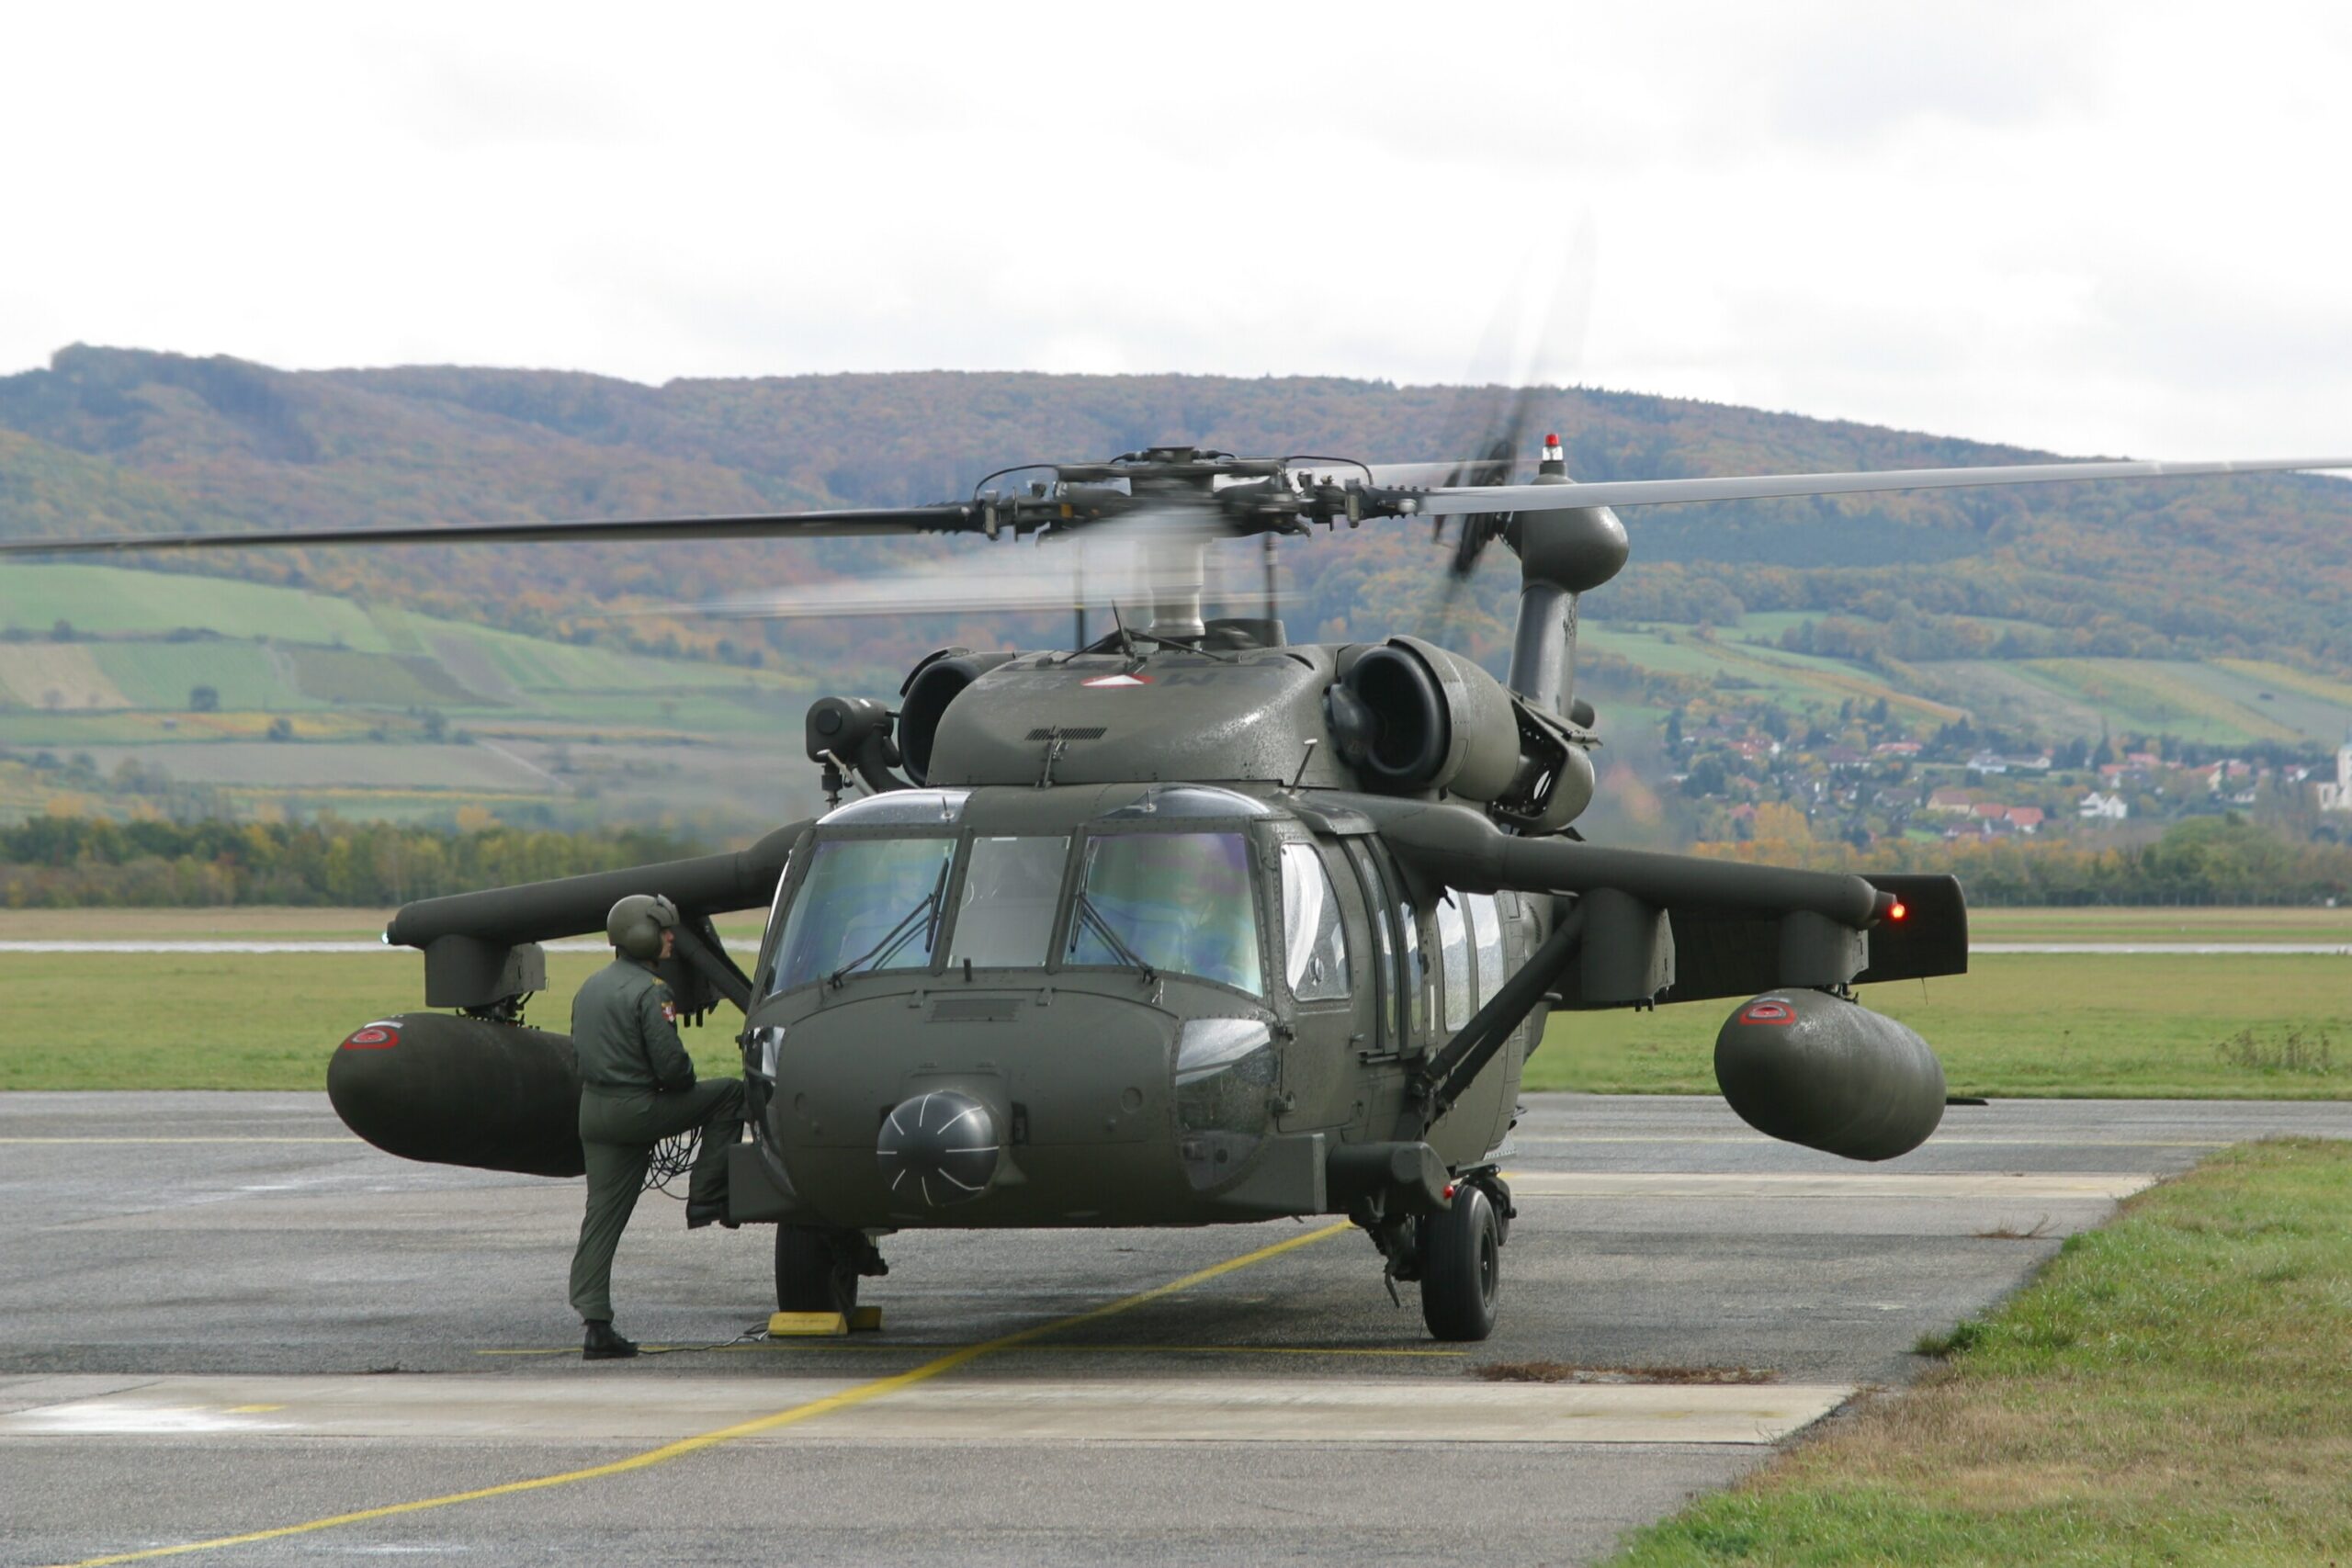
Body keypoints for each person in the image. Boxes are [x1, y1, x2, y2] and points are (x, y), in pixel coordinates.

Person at [567, 893, 744, 1360]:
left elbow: (579, 1053)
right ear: (642, 935)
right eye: (665, 930)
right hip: (636, 1110)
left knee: (601, 1217)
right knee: (730, 1092)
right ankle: (707, 1196)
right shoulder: (652, 991)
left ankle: (595, 1323)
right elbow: (672, 1069)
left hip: (595, 1112)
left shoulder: (590, 986)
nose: (671, 938)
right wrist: (678, 1085)